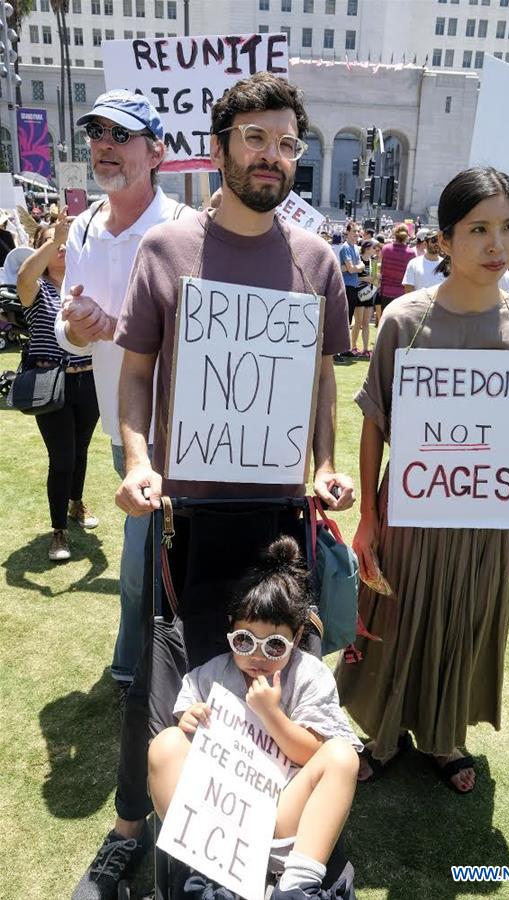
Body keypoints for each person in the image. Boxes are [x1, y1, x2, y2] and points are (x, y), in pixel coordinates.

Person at [72, 72, 354, 900]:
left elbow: (322, 378)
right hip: (187, 519)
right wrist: (135, 461)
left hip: (277, 518)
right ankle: (176, 848)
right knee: (183, 691)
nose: (273, 157)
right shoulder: (168, 249)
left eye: (287, 144)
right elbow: (135, 379)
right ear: (223, 146)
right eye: (256, 140)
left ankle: (266, 854)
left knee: (267, 677)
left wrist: (326, 463)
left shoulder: (317, 258)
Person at [335, 167, 509, 793]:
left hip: (484, 517)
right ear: (445, 238)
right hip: (408, 511)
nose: (497, 245)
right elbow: (375, 422)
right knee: (396, 618)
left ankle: (444, 739)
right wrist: (371, 520)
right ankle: (380, 736)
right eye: (479, 229)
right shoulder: (404, 321)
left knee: (464, 620)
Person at [54, 90, 191, 695]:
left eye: (120, 135)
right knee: (142, 558)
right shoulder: (83, 225)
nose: (104, 147)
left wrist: (119, 330)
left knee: (155, 560)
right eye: (97, 135)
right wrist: (76, 326)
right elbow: (69, 327)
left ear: (156, 150)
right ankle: (144, 666)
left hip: (184, 428)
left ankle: (140, 666)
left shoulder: (185, 228)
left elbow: (200, 334)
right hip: (123, 424)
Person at [148, 536, 361, 900]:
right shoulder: (212, 673)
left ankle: (296, 885)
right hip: (221, 816)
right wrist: (190, 722)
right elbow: (184, 727)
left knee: (342, 756)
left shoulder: (307, 675)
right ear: (231, 632)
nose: (258, 656)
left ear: (296, 638)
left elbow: (313, 754)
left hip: (282, 813)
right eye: (245, 641)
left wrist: (271, 713)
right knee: (166, 744)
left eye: (274, 645)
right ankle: (211, 874)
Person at [16, 210, 99, 561]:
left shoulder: (83, 284)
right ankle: (58, 531)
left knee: (80, 452)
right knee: (62, 458)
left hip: (88, 381)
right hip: (51, 384)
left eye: (66, 244)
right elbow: (23, 276)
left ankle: (76, 502)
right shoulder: (38, 291)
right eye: (54, 244)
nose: (63, 249)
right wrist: (55, 239)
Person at [377, 224, 415, 320]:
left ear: (395, 234)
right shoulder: (411, 253)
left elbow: (381, 269)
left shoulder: (386, 249)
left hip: (386, 292)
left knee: (385, 323)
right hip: (402, 294)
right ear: (407, 236)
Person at [350, 239, 379, 358]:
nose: (375, 250)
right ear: (367, 248)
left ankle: (366, 349)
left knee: (366, 323)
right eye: (373, 248)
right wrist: (366, 279)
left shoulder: (374, 262)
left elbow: (375, 279)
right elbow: (354, 276)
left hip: (369, 294)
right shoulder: (359, 259)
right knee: (358, 322)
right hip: (359, 294)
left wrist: (374, 279)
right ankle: (353, 347)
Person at [339, 222, 365, 323]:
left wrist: (355, 267)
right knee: (345, 320)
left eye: (358, 231)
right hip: (347, 286)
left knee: (349, 319)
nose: (357, 233)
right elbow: (351, 269)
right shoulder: (346, 247)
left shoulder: (355, 247)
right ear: (348, 232)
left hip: (354, 285)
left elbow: (358, 267)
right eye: (354, 231)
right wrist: (357, 267)